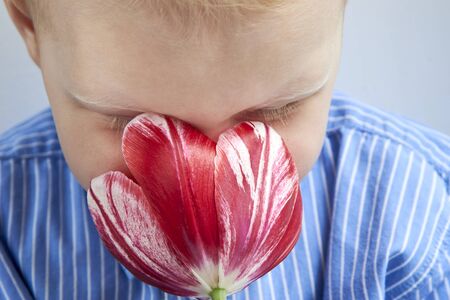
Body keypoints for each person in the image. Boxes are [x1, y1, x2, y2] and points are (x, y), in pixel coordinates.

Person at [1, 0, 449, 299]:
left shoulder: (419, 212)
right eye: (127, 122)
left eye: (276, 111)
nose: (209, 171)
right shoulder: (10, 233)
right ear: (29, 24)